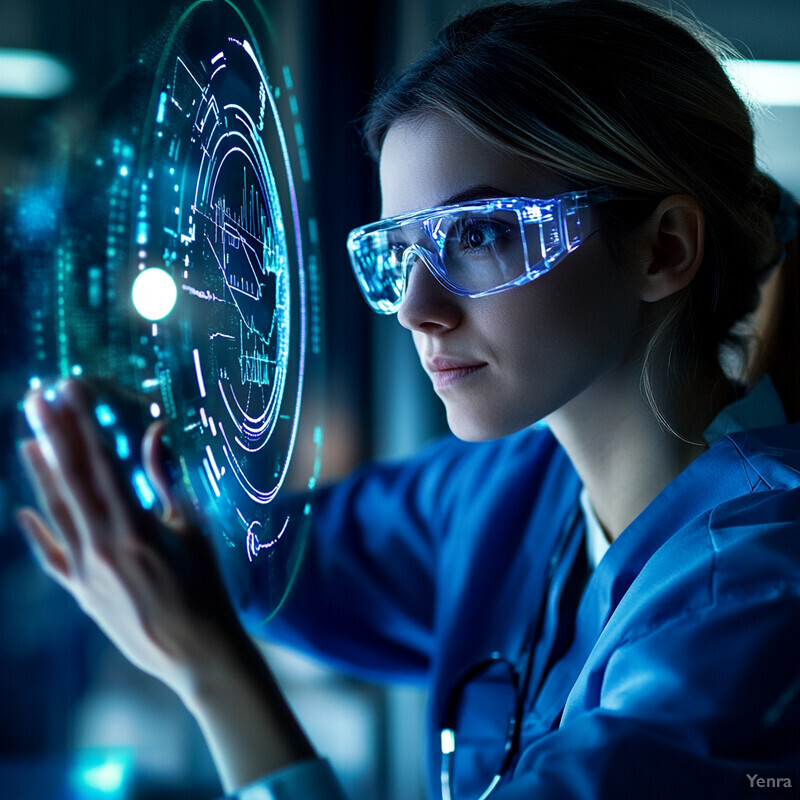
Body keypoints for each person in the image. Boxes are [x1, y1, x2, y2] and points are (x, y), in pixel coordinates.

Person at [16, 0, 800, 797]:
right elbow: (274, 559)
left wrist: (215, 674)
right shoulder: (513, 490)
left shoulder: (752, 598)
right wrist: (152, 438)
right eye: (400, 251)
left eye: (480, 233)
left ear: (663, 249)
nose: (417, 308)